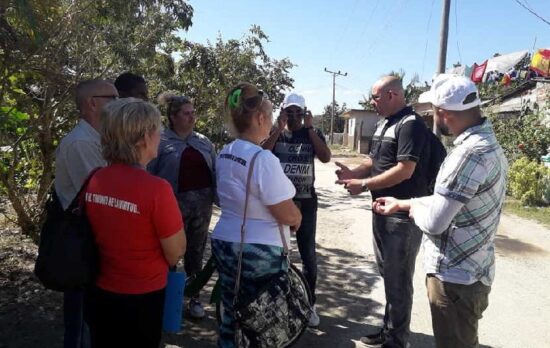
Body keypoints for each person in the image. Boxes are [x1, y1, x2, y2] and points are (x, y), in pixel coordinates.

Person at [372, 74, 508, 348]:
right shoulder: (489, 145)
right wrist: (404, 203)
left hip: (455, 277)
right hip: (473, 270)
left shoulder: (468, 154)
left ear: (443, 113)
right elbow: (448, 204)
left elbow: (435, 222)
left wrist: (411, 210)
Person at [336, 76, 435, 347]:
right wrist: (352, 173)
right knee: (389, 275)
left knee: (398, 278)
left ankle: (397, 340)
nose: (372, 102)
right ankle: (390, 331)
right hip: (381, 212)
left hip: (401, 216)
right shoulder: (384, 124)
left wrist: (364, 184)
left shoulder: (410, 124)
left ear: (392, 95)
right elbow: (373, 160)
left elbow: (406, 169)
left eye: (376, 97)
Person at [84, 98, 186, 348]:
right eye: (157, 130)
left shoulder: (95, 178)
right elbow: (175, 253)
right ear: (143, 138)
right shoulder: (157, 189)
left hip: (100, 291)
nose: (160, 136)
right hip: (143, 297)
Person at [212, 82, 302, 347]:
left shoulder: (225, 153)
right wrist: (297, 218)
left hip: (225, 243)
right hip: (257, 252)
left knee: (231, 314)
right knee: (263, 325)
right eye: (271, 117)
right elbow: (285, 213)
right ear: (261, 118)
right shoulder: (262, 159)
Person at [54, 79, 118, 348]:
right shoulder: (80, 143)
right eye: (113, 98)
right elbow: (104, 198)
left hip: (95, 244)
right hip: (83, 247)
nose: (119, 103)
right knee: (82, 323)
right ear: (93, 103)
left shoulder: (98, 139)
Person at [262, 92, 331, 327]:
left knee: (308, 255)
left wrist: (311, 129)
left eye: (297, 113)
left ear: (305, 113)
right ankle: (279, 302)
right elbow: (262, 154)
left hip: (306, 203)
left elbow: (325, 157)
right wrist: (278, 129)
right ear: (283, 112)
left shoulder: (312, 133)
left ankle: (309, 303)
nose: (293, 117)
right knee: (276, 253)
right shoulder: (276, 132)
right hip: (279, 203)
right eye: (289, 112)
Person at [148, 93, 216, 318]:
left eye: (193, 112)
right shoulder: (161, 141)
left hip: (202, 208)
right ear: (173, 116)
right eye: (186, 113)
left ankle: (194, 299)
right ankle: (168, 301)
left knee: (195, 254)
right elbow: (150, 174)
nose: (192, 117)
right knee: (169, 255)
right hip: (172, 209)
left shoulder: (204, 142)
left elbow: (215, 172)